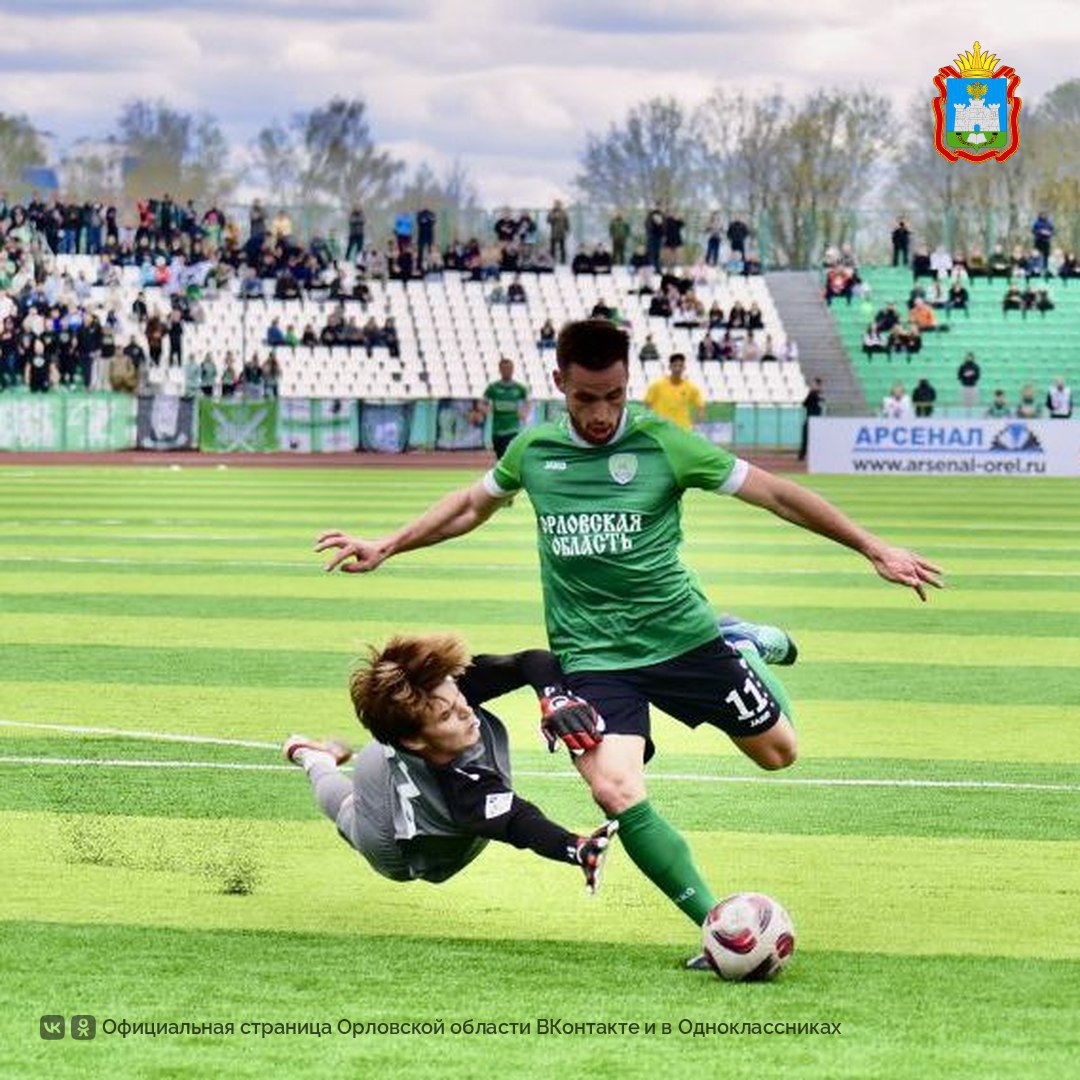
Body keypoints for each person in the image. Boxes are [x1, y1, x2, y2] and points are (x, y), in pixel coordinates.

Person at [315, 319, 942, 955]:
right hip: (594, 659)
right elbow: (469, 506)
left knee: (780, 754)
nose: (601, 412)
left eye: (614, 395)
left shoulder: (664, 444)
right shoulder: (533, 453)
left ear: (627, 384)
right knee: (614, 788)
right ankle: (718, 928)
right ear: (560, 383)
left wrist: (872, 547)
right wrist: (387, 544)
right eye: (586, 397)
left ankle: (744, 647)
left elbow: (777, 495)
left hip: (686, 640)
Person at [284, 634, 615, 890]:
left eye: (459, 701)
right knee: (347, 807)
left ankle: (330, 755)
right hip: (399, 851)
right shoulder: (458, 787)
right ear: (416, 738)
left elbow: (532, 661)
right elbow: (520, 822)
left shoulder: (444, 693)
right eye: (447, 716)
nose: (467, 712)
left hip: (403, 751)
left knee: (382, 742)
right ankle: (314, 758)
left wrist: (554, 699)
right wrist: (577, 848)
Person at [481, 357, 529, 457]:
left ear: (513, 370)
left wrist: (524, 412)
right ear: (500, 370)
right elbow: (482, 402)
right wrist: (486, 409)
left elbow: (527, 401)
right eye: (504, 369)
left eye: (509, 368)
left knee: (510, 456)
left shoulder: (519, 388)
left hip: (513, 429)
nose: (507, 371)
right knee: (499, 458)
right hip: (497, 430)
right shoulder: (493, 388)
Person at [643, 353, 705, 430]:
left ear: (684, 368)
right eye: (675, 365)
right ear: (670, 367)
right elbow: (647, 404)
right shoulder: (657, 386)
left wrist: (695, 423)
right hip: (663, 428)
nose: (677, 369)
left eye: (680, 366)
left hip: (682, 429)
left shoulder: (690, 387)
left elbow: (700, 406)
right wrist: (652, 421)